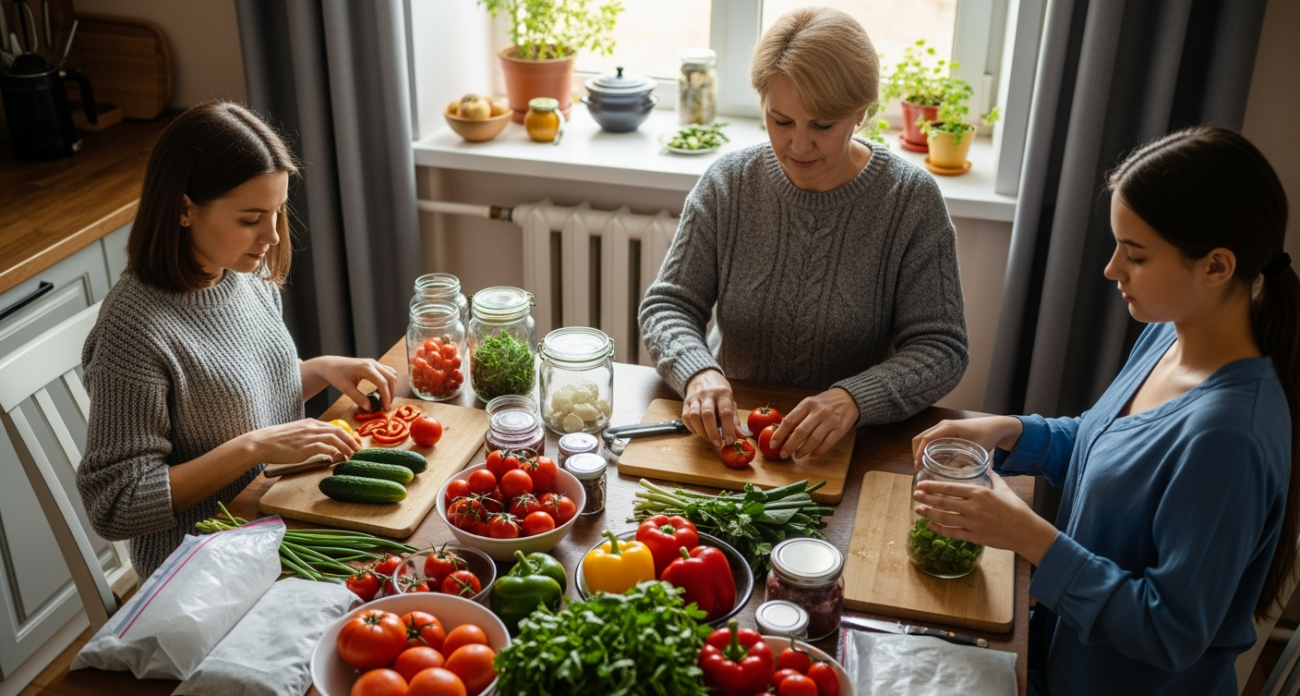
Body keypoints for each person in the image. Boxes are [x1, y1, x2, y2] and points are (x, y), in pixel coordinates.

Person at [911, 127, 1297, 695]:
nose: (1112, 269)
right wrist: (1013, 431)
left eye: (1135, 255)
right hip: (1055, 658)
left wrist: (1032, 538)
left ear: (1216, 267)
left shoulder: (1229, 439)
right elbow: (1112, 450)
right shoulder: (1169, 334)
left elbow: (1170, 633)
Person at [76, 102, 397, 580]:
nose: (272, 236)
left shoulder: (242, 276)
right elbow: (116, 504)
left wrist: (321, 369)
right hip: (203, 566)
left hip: (275, 519)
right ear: (184, 209)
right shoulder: (134, 330)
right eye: (250, 219)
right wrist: (253, 448)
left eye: (277, 212)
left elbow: (235, 399)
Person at [638, 7, 969, 459]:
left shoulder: (910, 201)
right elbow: (668, 305)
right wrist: (698, 372)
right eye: (781, 121)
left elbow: (942, 347)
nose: (798, 144)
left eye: (822, 125)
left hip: (850, 446)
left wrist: (854, 399)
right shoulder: (728, 184)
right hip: (734, 435)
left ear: (861, 112)